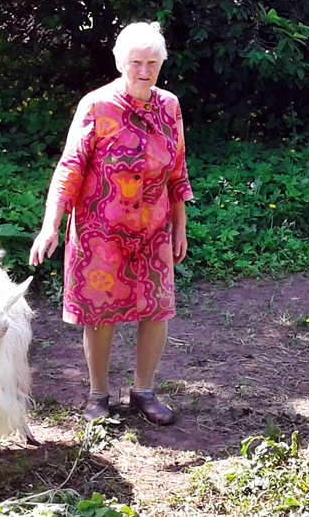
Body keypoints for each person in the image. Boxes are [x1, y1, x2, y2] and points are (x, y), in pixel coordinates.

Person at [29, 21, 193, 425]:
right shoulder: (97, 106)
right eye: (136, 62)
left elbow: (177, 171)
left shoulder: (170, 106)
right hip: (99, 232)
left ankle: (144, 392)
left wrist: (180, 226)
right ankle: (98, 395)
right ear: (121, 62)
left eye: (152, 63)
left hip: (153, 230)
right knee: (101, 314)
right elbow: (69, 168)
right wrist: (51, 225)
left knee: (156, 310)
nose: (144, 70)